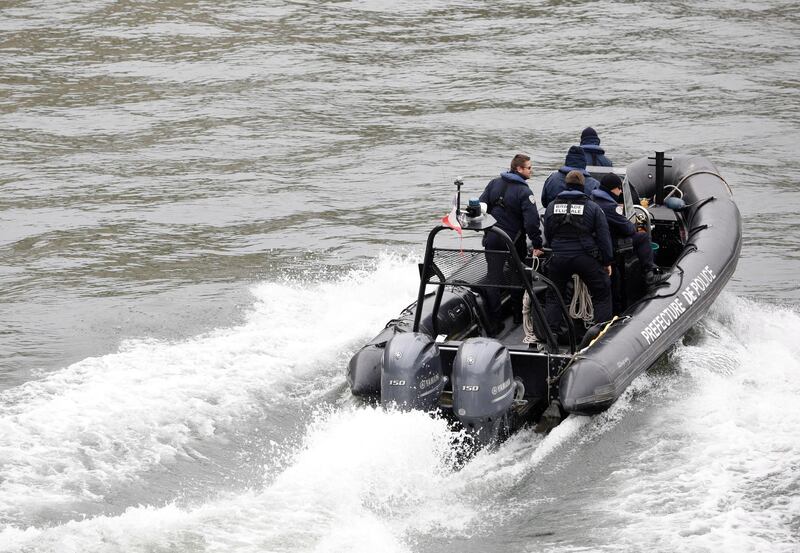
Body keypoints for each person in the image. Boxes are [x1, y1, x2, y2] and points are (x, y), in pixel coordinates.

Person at [543, 170, 613, 336]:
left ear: (565, 185)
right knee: (602, 293)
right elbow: (604, 237)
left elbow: (548, 233)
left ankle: (552, 335)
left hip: (559, 257)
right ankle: (601, 333)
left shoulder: (552, 206)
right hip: (586, 258)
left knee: (554, 295)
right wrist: (607, 261)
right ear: (583, 186)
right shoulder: (593, 207)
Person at [479, 154, 544, 331]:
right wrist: (537, 244)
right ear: (519, 169)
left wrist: (487, 231)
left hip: (492, 237)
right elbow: (531, 222)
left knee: (493, 278)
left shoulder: (494, 183)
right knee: (518, 277)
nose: (531, 171)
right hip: (513, 241)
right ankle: (517, 317)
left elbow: (481, 207)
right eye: (529, 168)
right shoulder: (524, 192)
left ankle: (496, 322)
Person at [591, 173, 667, 285]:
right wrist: (631, 223)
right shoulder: (610, 206)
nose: (621, 192)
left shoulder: (593, 199)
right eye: (619, 188)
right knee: (642, 237)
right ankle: (649, 274)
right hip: (609, 244)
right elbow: (628, 229)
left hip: (594, 241)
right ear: (612, 189)